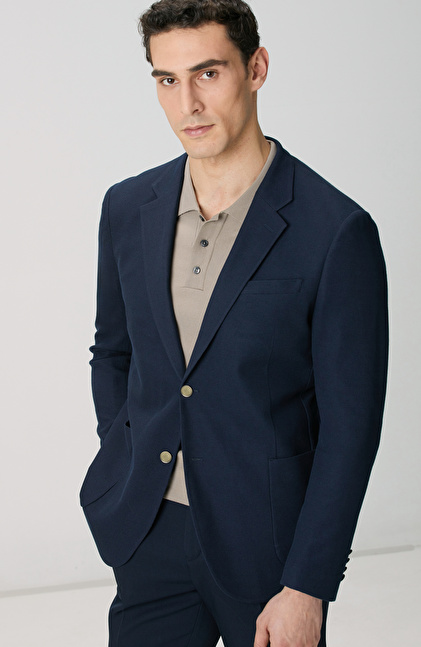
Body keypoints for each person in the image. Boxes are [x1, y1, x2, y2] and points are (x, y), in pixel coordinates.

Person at [80, 1, 388, 645]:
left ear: (256, 68)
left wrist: (307, 585)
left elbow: (350, 428)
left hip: (269, 548)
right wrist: (126, 451)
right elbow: (113, 353)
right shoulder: (128, 206)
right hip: (148, 531)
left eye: (208, 73)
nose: (187, 103)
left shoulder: (336, 231)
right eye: (167, 80)